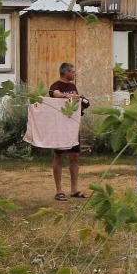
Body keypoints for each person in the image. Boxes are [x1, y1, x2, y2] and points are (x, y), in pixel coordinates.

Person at [48, 62, 89, 201]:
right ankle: (59, 190)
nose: (74, 74)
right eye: (73, 71)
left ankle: (74, 189)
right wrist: (69, 97)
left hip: (72, 126)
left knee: (75, 156)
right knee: (59, 156)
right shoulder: (55, 85)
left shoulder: (72, 86)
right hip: (60, 127)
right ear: (66, 72)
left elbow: (75, 102)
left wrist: (82, 103)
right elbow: (56, 94)